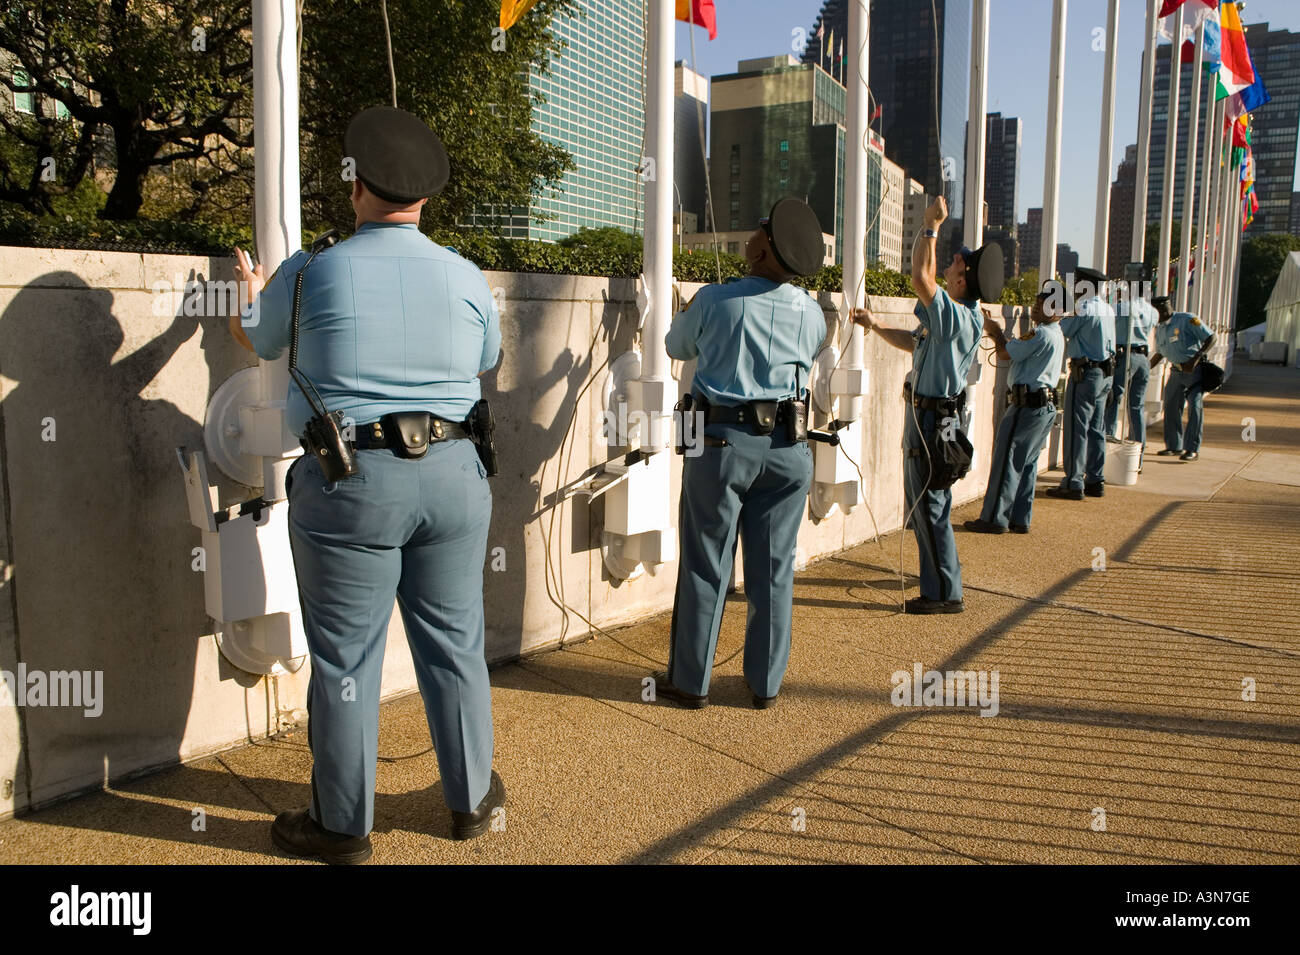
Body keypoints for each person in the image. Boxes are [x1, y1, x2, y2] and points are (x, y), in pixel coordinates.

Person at [230, 106, 504, 863]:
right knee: (455, 643)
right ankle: (472, 798)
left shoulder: (312, 270)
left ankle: (343, 826)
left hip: (350, 479)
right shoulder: (464, 273)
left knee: (348, 657)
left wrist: (253, 290)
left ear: (356, 184)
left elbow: (255, 337)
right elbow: (490, 352)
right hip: (454, 475)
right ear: (425, 198)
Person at [652, 198, 827, 710]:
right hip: (790, 451)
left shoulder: (715, 301)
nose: (752, 232)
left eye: (761, 228)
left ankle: (690, 682)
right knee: (774, 571)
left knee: (707, 564)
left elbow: (675, 346)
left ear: (767, 250)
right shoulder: (812, 312)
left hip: (723, 446)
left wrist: (692, 310)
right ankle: (765, 686)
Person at [851, 196, 1005, 614]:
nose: (956, 260)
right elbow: (913, 342)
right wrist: (878, 325)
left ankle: (945, 595)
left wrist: (931, 226)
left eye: (960, 262)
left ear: (962, 280)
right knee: (924, 507)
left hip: (932, 420)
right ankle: (936, 586)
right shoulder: (950, 317)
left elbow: (920, 276)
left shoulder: (960, 317)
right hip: (929, 417)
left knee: (932, 507)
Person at [965, 289, 1065, 535]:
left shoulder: (1040, 333)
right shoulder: (1056, 334)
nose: (1034, 308)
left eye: (1040, 305)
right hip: (1043, 407)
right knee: (1027, 464)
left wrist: (994, 329)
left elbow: (1004, 353)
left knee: (1007, 460)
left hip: (1027, 406)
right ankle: (1020, 518)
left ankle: (994, 518)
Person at [1046, 266, 1116, 501]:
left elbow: (1060, 328)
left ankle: (1074, 481)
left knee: (1077, 428)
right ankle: (1095, 479)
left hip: (1085, 374)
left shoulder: (1084, 308)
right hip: (1105, 372)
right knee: (1097, 429)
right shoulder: (1107, 308)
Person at [1150, 296, 1216, 461]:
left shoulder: (1187, 319)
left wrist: (1196, 358)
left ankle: (1192, 449)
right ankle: (1174, 446)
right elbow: (1160, 352)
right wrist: (1145, 367)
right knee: (1171, 407)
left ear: (1168, 307)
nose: (1162, 312)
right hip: (1175, 372)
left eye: (1164, 308)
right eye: (1159, 310)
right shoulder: (1160, 329)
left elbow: (1211, 337)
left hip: (1193, 371)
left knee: (1194, 408)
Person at [1104, 283, 1158, 451]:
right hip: (1143, 358)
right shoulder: (1153, 311)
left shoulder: (1121, 307)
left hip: (1124, 356)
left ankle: (1109, 446)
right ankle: (1138, 454)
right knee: (1137, 407)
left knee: (1113, 400)